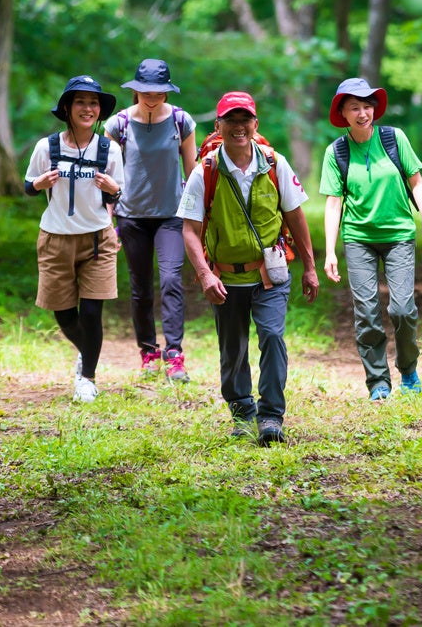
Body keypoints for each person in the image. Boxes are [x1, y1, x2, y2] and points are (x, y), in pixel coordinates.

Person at [179, 91, 318, 445]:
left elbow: (296, 216)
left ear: (255, 125)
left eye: (245, 120)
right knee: (233, 348)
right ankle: (242, 412)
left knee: (272, 337)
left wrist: (310, 266)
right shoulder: (205, 172)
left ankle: (271, 416)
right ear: (219, 125)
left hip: (270, 273)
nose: (238, 127)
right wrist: (206, 274)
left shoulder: (274, 164)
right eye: (231, 120)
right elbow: (190, 231)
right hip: (225, 276)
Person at [320, 77, 422, 400]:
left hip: (399, 233)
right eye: (355, 107)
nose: (363, 113)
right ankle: (378, 382)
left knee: (402, 309)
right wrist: (330, 251)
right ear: (343, 113)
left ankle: (409, 368)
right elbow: (333, 203)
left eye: (367, 106)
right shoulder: (337, 152)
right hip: (358, 238)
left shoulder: (393, 139)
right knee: (367, 313)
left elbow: (417, 183)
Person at [24, 75, 124, 404]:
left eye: (93, 103)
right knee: (64, 313)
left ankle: (87, 377)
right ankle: (87, 351)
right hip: (55, 238)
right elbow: (28, 186)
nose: (87, 108)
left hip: (97, 239)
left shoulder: (109, 149)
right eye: (80, 102)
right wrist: (39, 183)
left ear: (100, 111)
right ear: (67, 108)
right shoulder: (46, 147)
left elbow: (118, 193)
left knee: (93, 313)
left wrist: (112, 191)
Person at [105, 58, 197, 383]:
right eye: (146, 91)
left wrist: (199, 220)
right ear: (136, 89)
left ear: (167, 91)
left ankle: (175, 355)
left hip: (171, 216)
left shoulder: (181, 122)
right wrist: (108, 221)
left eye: (159, 91)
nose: (152, 97)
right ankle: (148, 353)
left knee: (171, 280)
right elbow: (108, 178)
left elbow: (193, 172)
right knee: (141, 289)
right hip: (131, 217)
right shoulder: (118, 125)